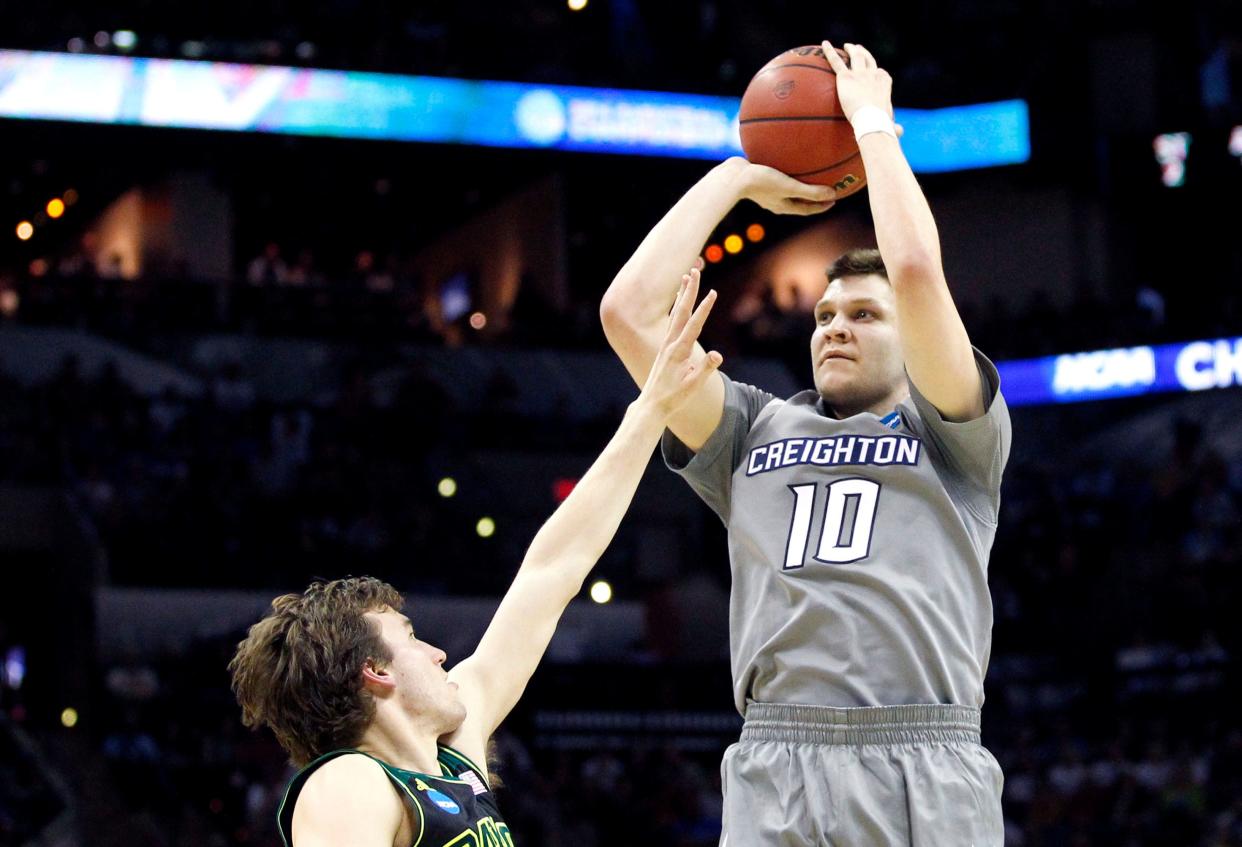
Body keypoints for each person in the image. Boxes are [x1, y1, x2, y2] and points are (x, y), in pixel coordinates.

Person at [599, 41, 1012, 845]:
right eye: (825, 315)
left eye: (864, 314)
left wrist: (872, 127)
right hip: (777, 760)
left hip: (927, 753)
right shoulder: (751, 427)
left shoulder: (957, 432)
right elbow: (627, 315)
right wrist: (737, 178)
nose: (836, 328)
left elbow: (918, 271)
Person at [229, 275, 724, 847]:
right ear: (376, 671)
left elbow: (552, 571)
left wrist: (652, 407)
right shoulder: (348, 781)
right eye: (411, 637)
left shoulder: (456, 757)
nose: (440, 652)